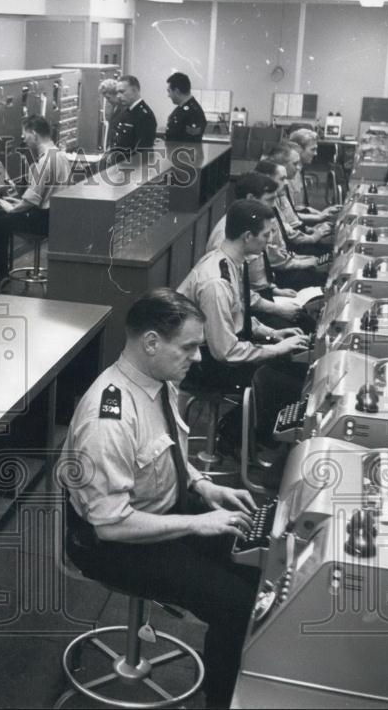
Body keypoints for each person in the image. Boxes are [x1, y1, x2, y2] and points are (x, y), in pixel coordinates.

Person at [61, 287, 260, 708]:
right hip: (114, 543)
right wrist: (198, 523)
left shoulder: (160, 379)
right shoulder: (108, 418)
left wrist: (204, 485)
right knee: (237, 605)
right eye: (188, 347)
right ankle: (221, 701)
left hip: (164, 511)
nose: (199, 358)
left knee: (256, 561)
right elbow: (111, 525)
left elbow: (166, 450)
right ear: (151, 342)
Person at [178, 199, 310, 450]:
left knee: (293, 365)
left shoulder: (230, 262)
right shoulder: (216, 282)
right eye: (267, 234)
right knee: (286, 379)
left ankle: (251, 437)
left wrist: (273, 333)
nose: (271, 240)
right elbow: (224, 351)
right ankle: (236, 436)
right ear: (248, 236)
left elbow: (235, 315)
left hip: (219, 348)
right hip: (203, 363)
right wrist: (276, 348)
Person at [206, 173, 308, 330]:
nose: (273, 206)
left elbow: (244, 288)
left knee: (303, 319)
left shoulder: (248, 227)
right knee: (302, 326)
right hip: (241, 315)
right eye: (269, 200)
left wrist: (274, 290)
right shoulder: (226, 239)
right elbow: (238, 301)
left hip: (254, 301)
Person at [253, 158, 328, 289]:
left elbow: (283, 242)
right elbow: (274, 256)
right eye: (282, 179)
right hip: (276, 274)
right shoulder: (265, 209)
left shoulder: (270, 203)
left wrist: (300, 258)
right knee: (325, 280)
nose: (286, 183)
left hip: (282, 264)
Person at [0, 113, 73, 237]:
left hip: (44, 221)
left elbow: (31, 200)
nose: (24, 140)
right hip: (59, 217)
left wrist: (12, 208)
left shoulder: (43, 162)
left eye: (25, 136)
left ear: (34, 135)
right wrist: (19, 202)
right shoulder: (61, 155)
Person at [287, 129, 343, 222]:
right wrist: (319, 217)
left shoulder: (299, 170)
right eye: (312, 149)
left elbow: (297, 208)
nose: (316, 153)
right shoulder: (289, 174)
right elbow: (288, 216)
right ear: (298, 149)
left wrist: (321, 213)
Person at [101, 75, 156, 163]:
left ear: (134, 90)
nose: (118, 96)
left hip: (133, 168)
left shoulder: (144, 115)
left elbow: (141, 151)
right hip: (119, 165)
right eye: (117, 92)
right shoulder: (126, 112)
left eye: (122, 92)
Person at [164, 72, 207, 143]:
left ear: (177, 91)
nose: (168, 95)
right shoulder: (182, 108)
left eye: (169, 91)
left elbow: (190, 143)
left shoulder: (193, 113)